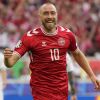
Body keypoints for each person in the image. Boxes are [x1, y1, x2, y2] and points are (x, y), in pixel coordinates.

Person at [3, 2, 100, 100]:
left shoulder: (67, 35)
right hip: (41, 94)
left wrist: (92, 76)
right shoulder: (30, 37)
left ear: (57, 15)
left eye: (52, 13)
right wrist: (7, 59)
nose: (50, 16)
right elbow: (10, 62)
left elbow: (78, 54)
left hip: (62, 93)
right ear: (40, 16)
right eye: (46, 13)